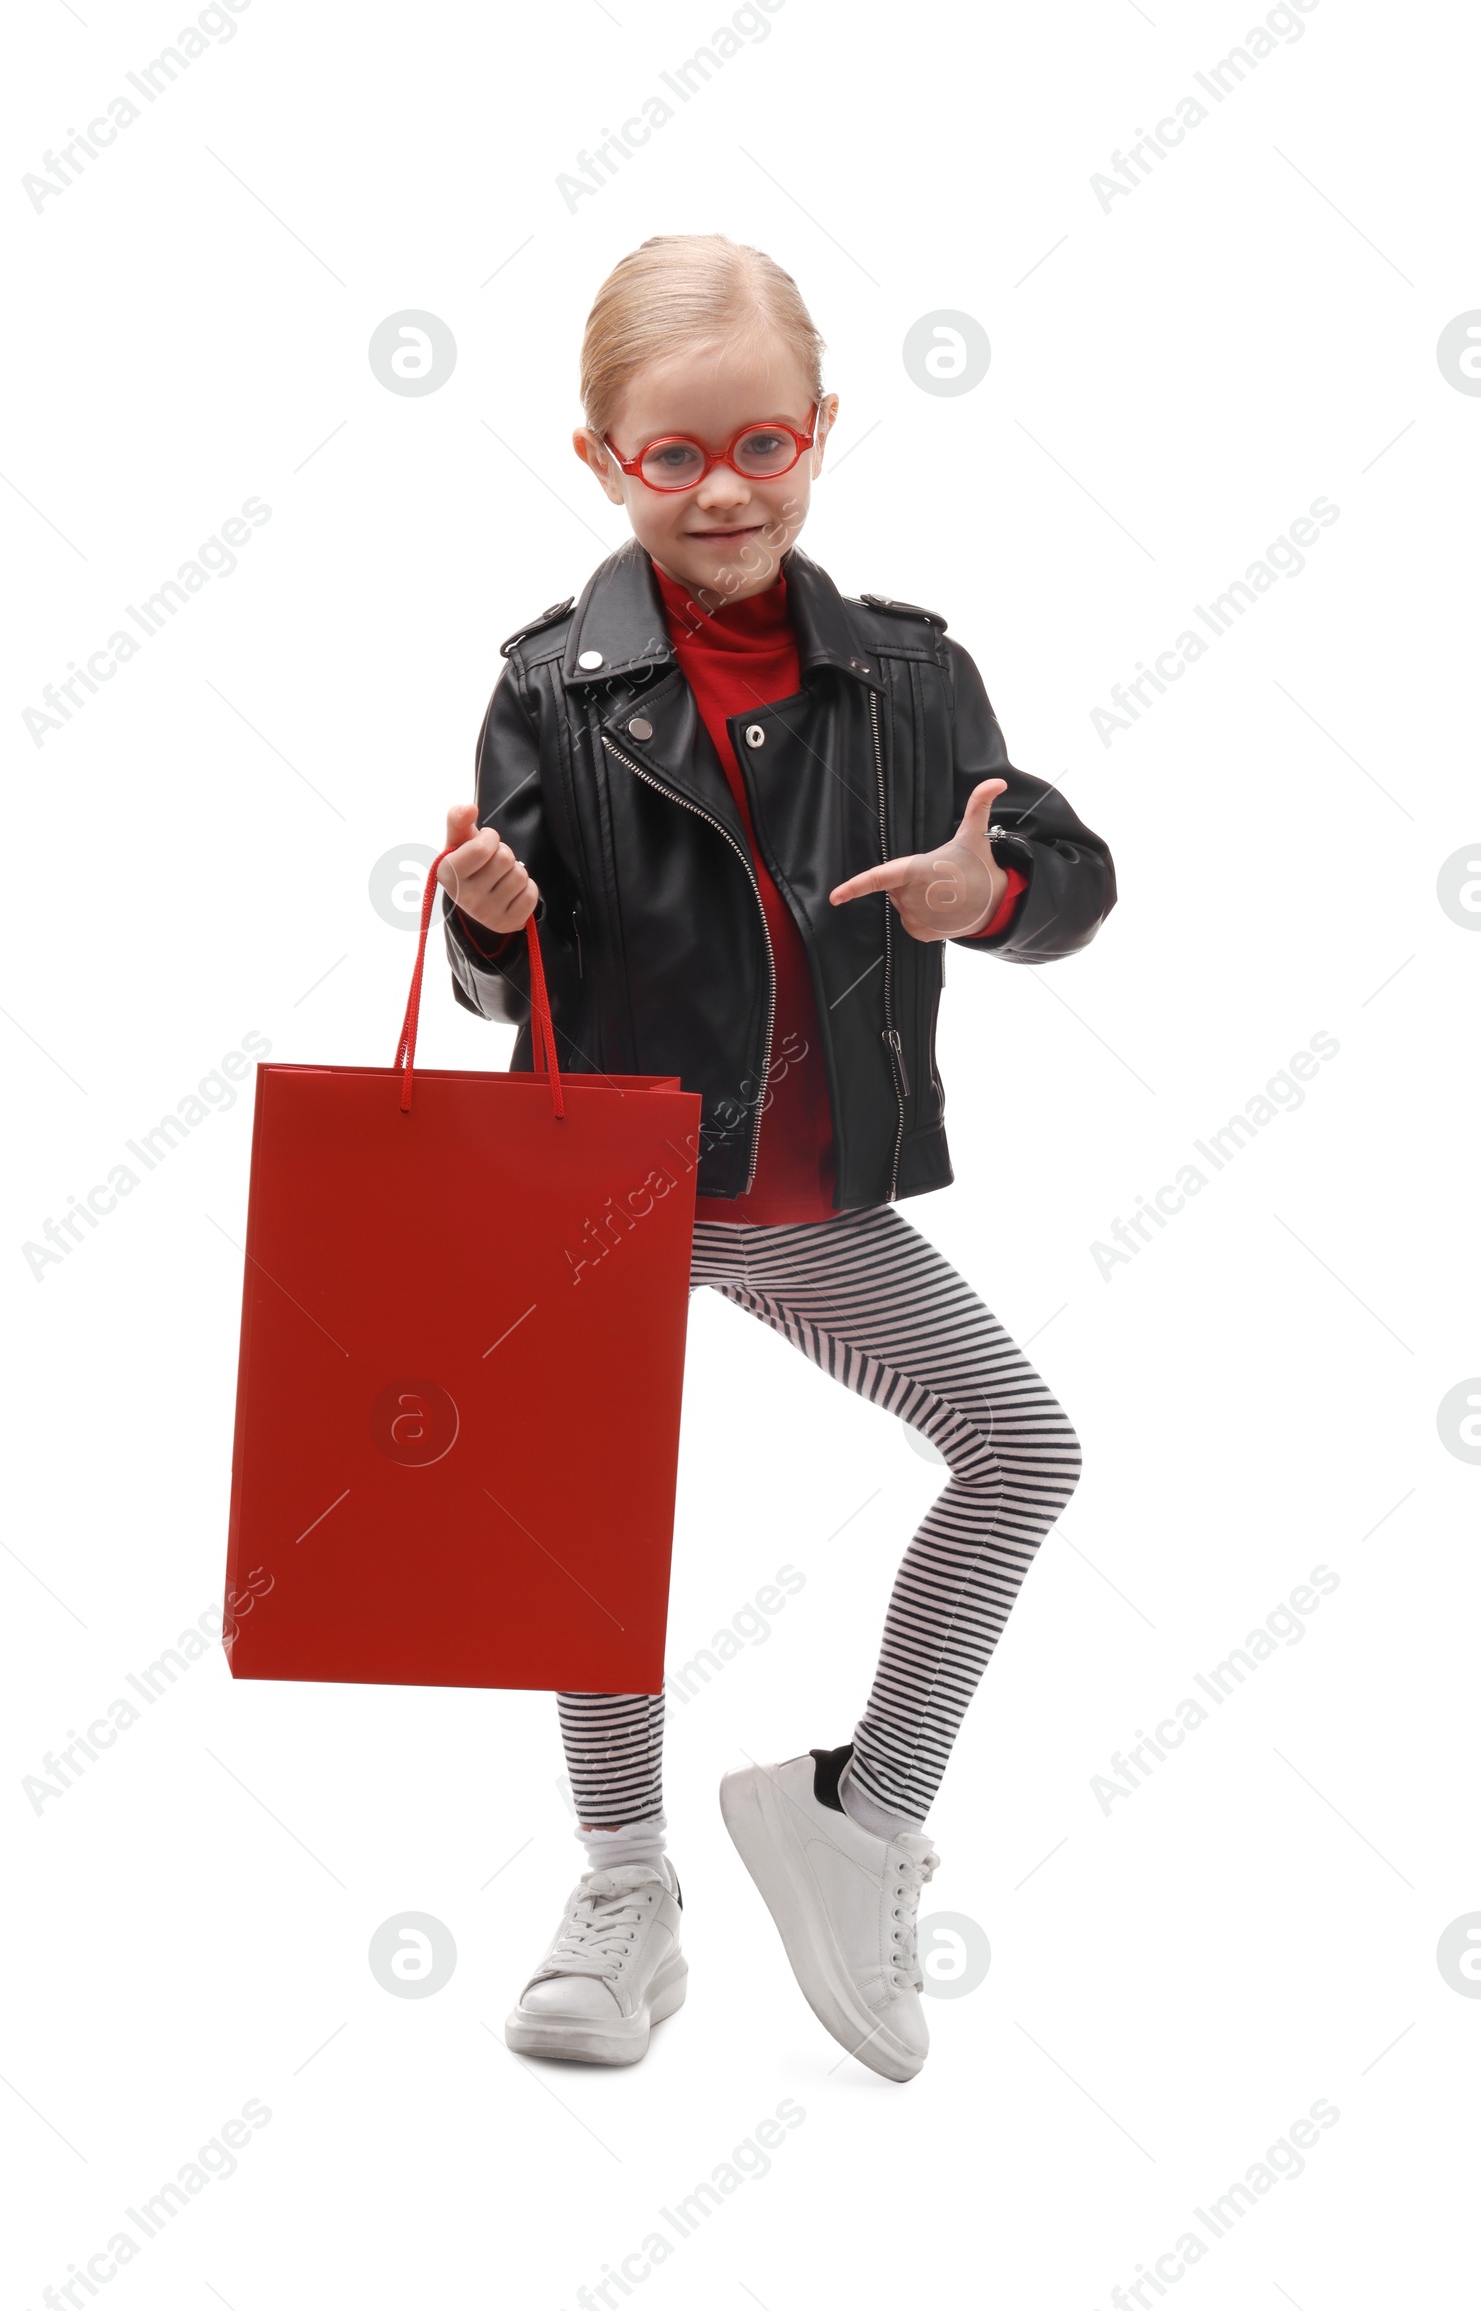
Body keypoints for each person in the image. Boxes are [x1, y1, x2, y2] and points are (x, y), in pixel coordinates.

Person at [435, 233, 1116, 2082]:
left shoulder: (910, 677)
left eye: (761, 444)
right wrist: (490, 920)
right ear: (601, 461)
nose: (724, 487)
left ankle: (860, 1810)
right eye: (674, 456)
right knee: (589, 1525)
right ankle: (623, 1886)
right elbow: (507, 966)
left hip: (811, 1197)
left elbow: (1070, 872)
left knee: (1021, 1447)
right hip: (614, 1199)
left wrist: (1002, 890)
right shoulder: (549, 692)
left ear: (818, 435)